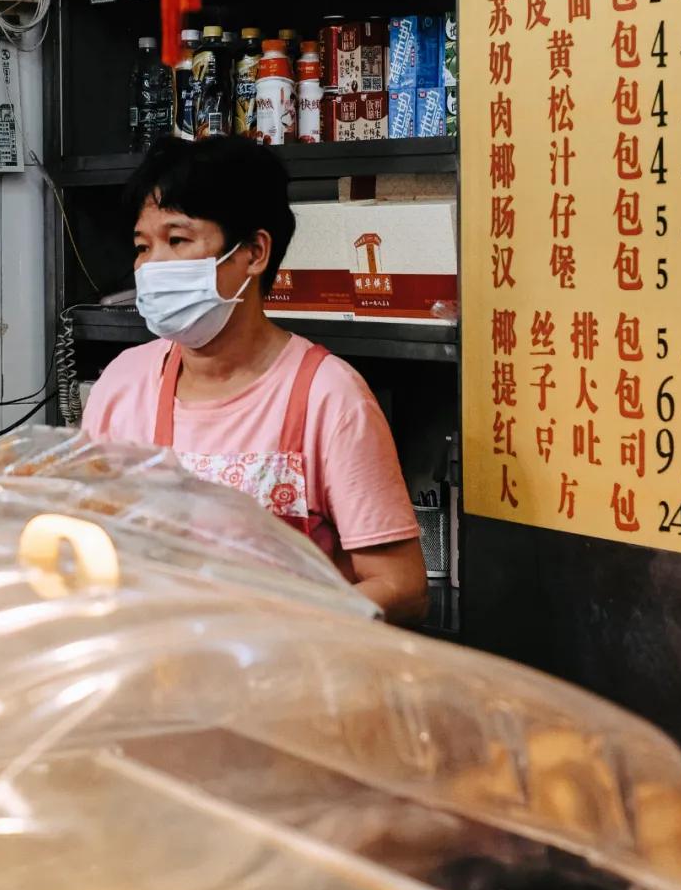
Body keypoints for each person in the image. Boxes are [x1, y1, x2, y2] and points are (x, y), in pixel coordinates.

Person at [82, 137, 428, 624]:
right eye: (143, 246)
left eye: (177, 240)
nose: (151, 266)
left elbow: (402, 587)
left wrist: (277, 617)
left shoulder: (328, 396)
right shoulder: (123, 383)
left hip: (283, 681)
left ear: (255, 252)